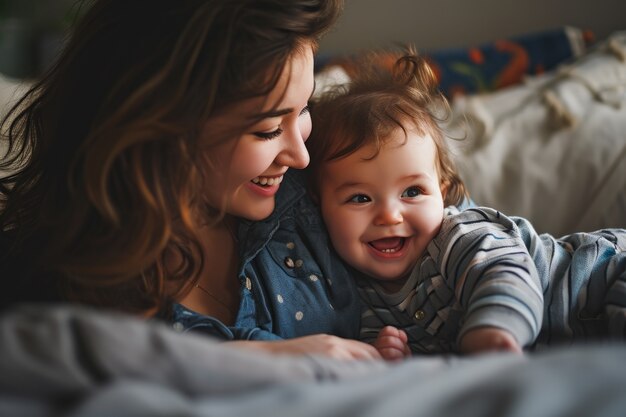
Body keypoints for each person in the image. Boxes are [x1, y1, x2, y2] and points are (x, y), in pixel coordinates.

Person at [0, 0, 392, 359]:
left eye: (303, 108)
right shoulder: (52, 288)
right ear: (164, 128)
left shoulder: (325, 186)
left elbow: (441, 234)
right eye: (267, 130)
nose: (299, 156)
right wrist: (258, 363)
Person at [306, 50, 626, 360]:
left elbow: (505, 273)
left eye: (412, 192)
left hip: (601, 278)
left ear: (442, 194)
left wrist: (492, 330)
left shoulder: (458, 235)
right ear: (319, 209)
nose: (390, 215)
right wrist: (393, 355)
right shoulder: (354, 300)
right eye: (360, 198)